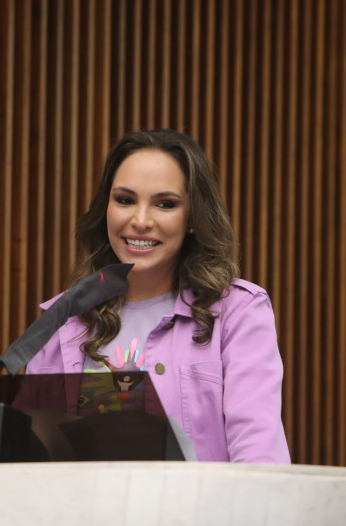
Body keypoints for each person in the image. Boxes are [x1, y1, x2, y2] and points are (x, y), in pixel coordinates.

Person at [26, 129, 291, 463]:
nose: (140, 221)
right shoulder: (62, 319)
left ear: (192, 217)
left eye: (165, 204)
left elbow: (259, 460)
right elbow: (31, 462)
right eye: (124, 200)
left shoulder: (237, 313)